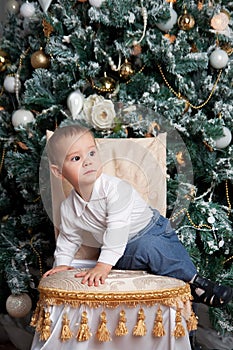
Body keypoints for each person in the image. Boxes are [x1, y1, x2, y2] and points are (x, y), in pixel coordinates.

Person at [44, 124, 232, 308]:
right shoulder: (68, 208)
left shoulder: (116, 189)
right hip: (121, 250)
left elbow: (117, 230)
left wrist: (102, 265)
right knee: (127, 260)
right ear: (58, 171)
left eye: (92, 153)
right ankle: (186, 290)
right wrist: (62, 264)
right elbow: (69, 238)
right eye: (76, 158)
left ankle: (197, 283)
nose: (88, 161)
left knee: (152, 248)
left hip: (150, 231)